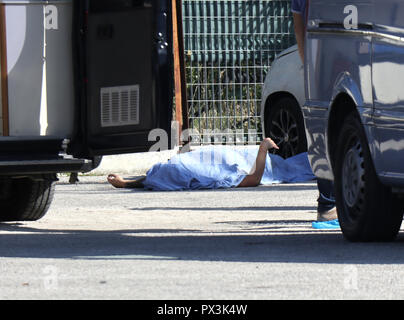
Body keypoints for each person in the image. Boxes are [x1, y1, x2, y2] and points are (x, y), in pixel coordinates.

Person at [292, 0, 337, 222]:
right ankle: (329, 204)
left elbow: (298, 23)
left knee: (323, 130)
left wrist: (306, 62)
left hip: (319, 60)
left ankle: (328, 203)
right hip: (345, 57)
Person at [107, 138, 279, 189]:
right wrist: (263, 149)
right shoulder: (209, 176)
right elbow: (254, 179)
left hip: (243, 155)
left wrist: (124, 183)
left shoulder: (167, 169)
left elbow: (148, 180)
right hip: (264, 162)